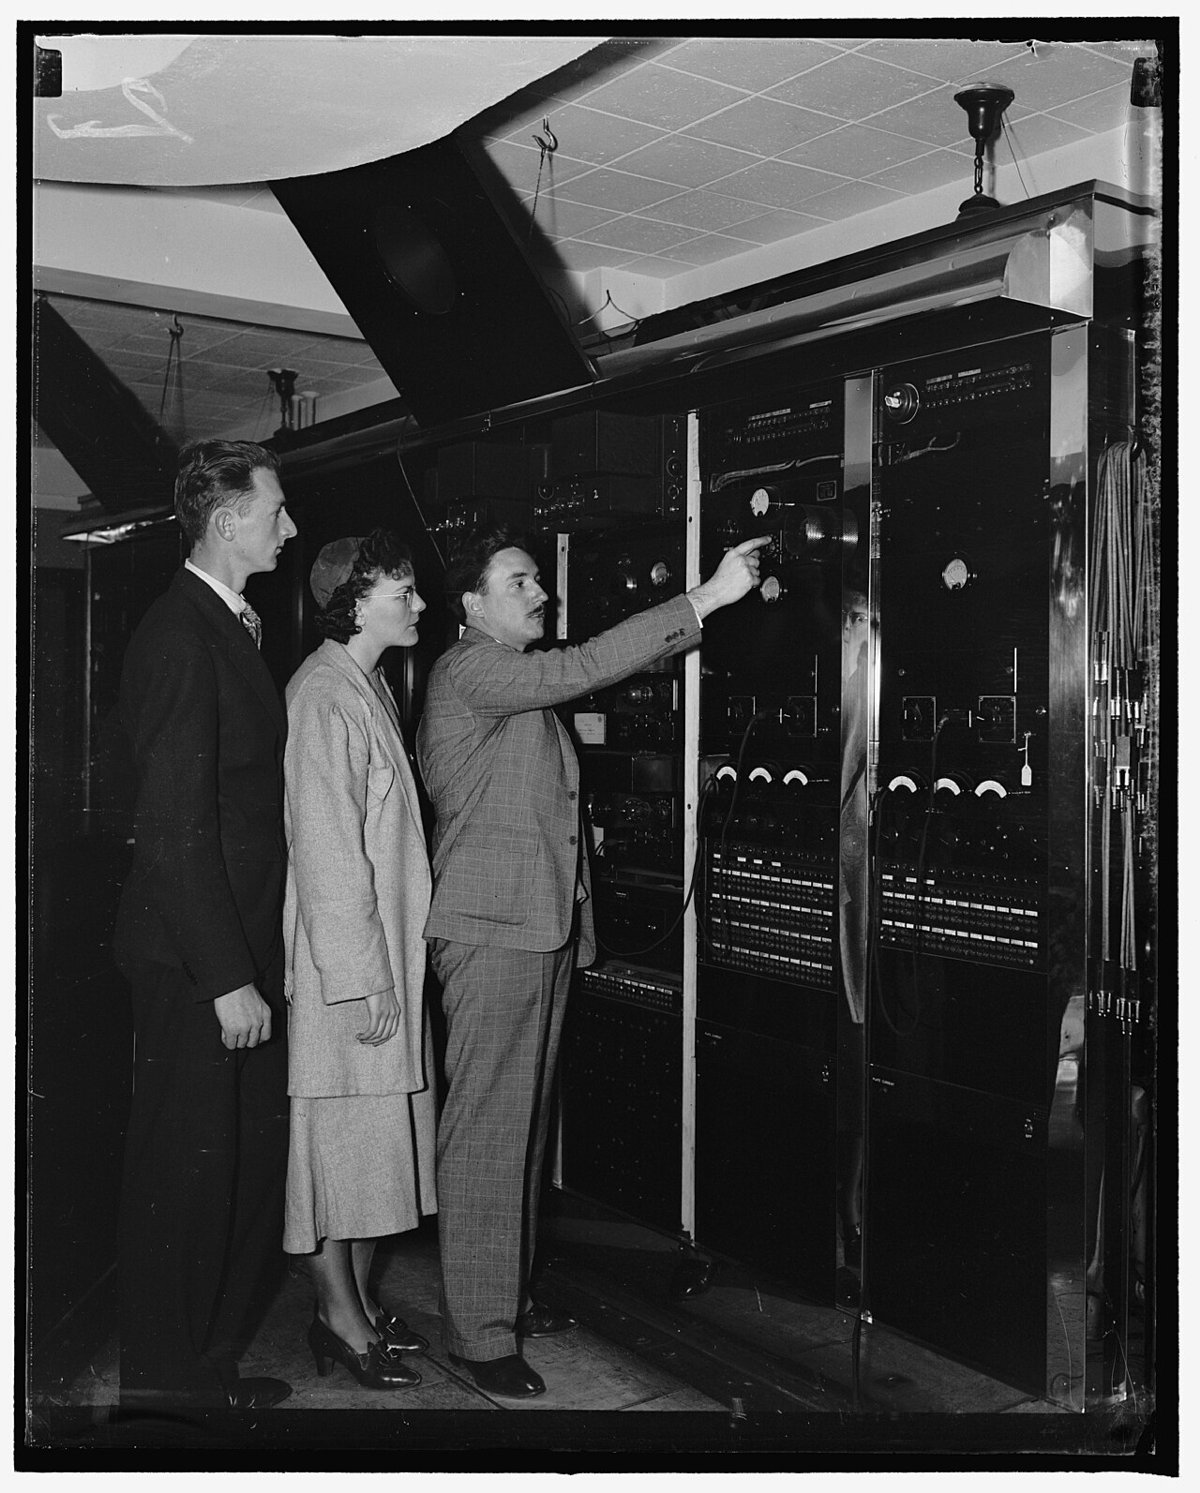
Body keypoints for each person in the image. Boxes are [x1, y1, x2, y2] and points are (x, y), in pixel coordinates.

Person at [417, 524, 768, 1398]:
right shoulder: (471, 669)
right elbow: (580, 668)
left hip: (529, 925)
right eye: (521, 581)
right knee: (491, 1132)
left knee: (525, 1129)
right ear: (471, 604)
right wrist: (708, 598)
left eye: (539, 579)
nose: (542, 593)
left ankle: (502, 1293)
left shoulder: (505, 683)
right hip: (494, 930)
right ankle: (480, 1330)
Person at [113, 439, 298, 1412]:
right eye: (276, 511)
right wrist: (227, 976)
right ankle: (161, 1385)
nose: (290, 526)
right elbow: (177, 825)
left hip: (233, 948)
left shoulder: (222, 624)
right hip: (197, 960)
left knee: (240, 1167)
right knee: (183, 1178)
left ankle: (206, 1366)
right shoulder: (181, 634)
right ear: (227, 521)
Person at [281, 532, 437, 1391]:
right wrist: (364, 977)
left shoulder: (362, 685)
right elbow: (330, 851)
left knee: (373, 1149)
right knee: (342, 1151)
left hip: (382, 964)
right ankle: (340, 1322)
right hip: (355, 975)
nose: (418, 605)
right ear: (354, 601)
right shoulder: (323, 696)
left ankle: (359, 1310)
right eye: (403, 592)